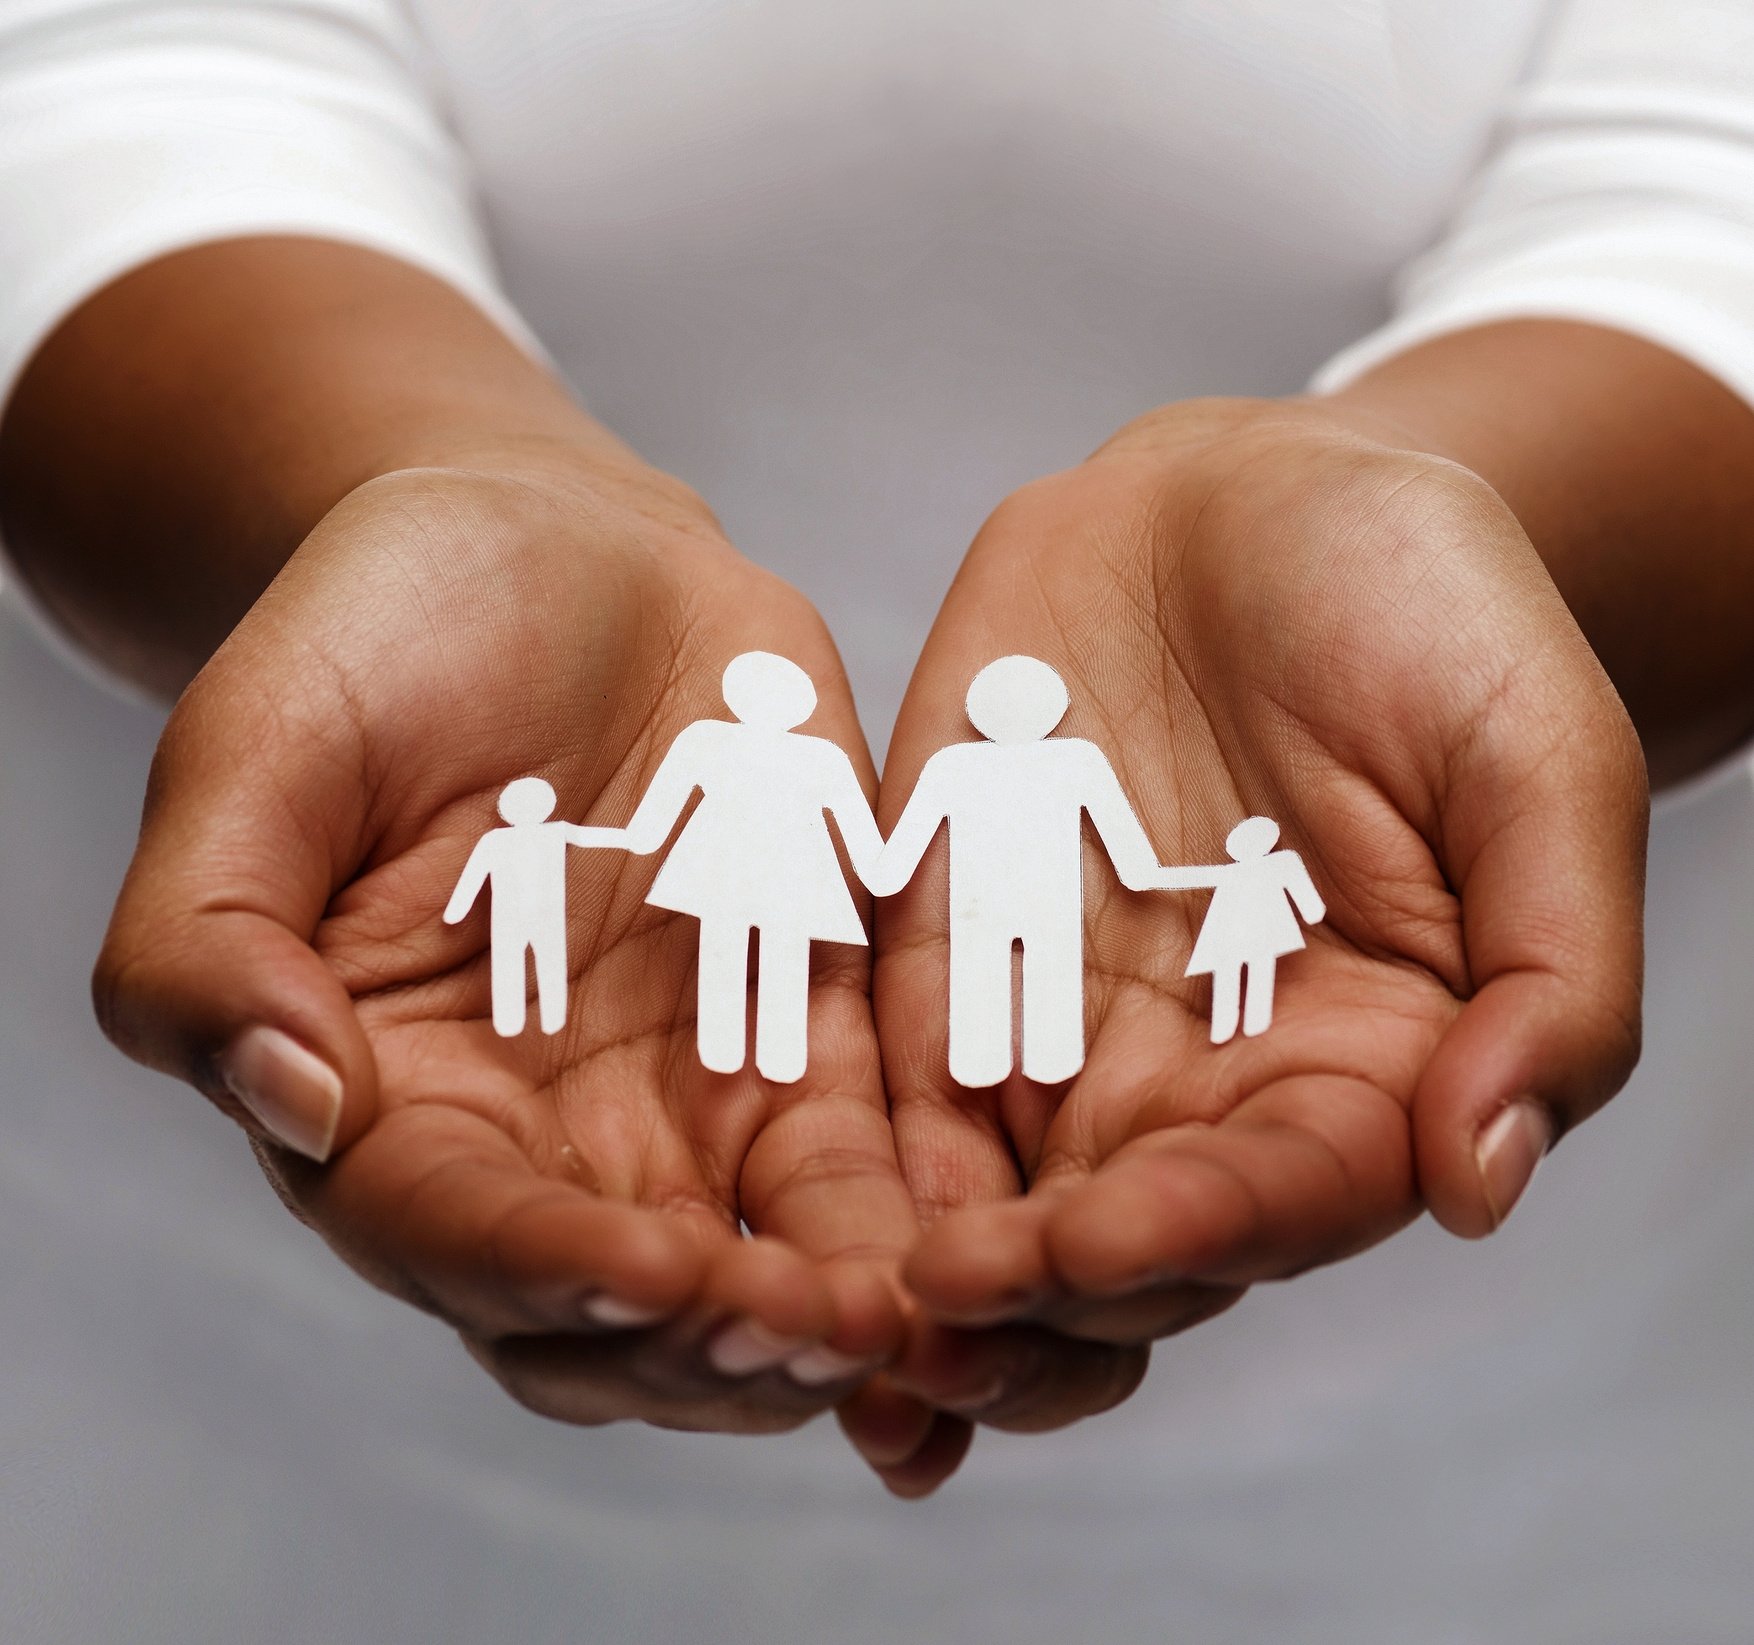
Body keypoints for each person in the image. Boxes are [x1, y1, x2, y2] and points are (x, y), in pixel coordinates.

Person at [4, 2, 1754, 1641]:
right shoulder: (856, 769)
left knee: (981, 999)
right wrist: (411, 506)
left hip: (1495, 1442)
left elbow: (1706, 178)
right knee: (834, 994)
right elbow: (110, 67)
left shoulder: (1016, 771)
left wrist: (1437, 558)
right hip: (243, 1399)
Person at [869, 654, 1159, 1085]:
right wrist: (1158, 875)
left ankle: (994, 1063)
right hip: (1036, 901)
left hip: (986, 903)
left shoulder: (955, 764)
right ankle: (1039, 1062)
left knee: (984, 985)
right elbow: (1130, 855)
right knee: (1041, 990)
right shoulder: (1075, 759)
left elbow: (894, 865)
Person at [611, 650, 884, 1083]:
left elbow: (649, 828)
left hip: (726, 868)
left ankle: (732, 1050)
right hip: (790, 875)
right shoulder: (820, 757)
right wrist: (893, 870)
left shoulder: (707, 739)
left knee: (730, 945)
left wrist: (611, 838)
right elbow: (868, 850)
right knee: (777, 954)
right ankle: (771, 1055)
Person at [443, 775, 626, 1037]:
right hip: (527, 916)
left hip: (527, 916)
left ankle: (530, 1021)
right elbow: (474, 875)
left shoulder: (511, 837)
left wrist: (457, 910)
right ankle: (533, 1020)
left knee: (525, 965)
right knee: (537, 965)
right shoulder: (516, 837)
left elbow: (588, 836)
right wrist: (630, 839)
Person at [1152, 816, 1327, 1045]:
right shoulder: (1230, 871)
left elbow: (1301, 889)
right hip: (1231, 932)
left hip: (1258, 929)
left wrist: (1311, 910)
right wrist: (1148, 874)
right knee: (1233, 973)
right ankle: (1225, 1026)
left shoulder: (1281, 862)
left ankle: (1251, 1021)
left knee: (1257, 969)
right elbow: (1187, 876)